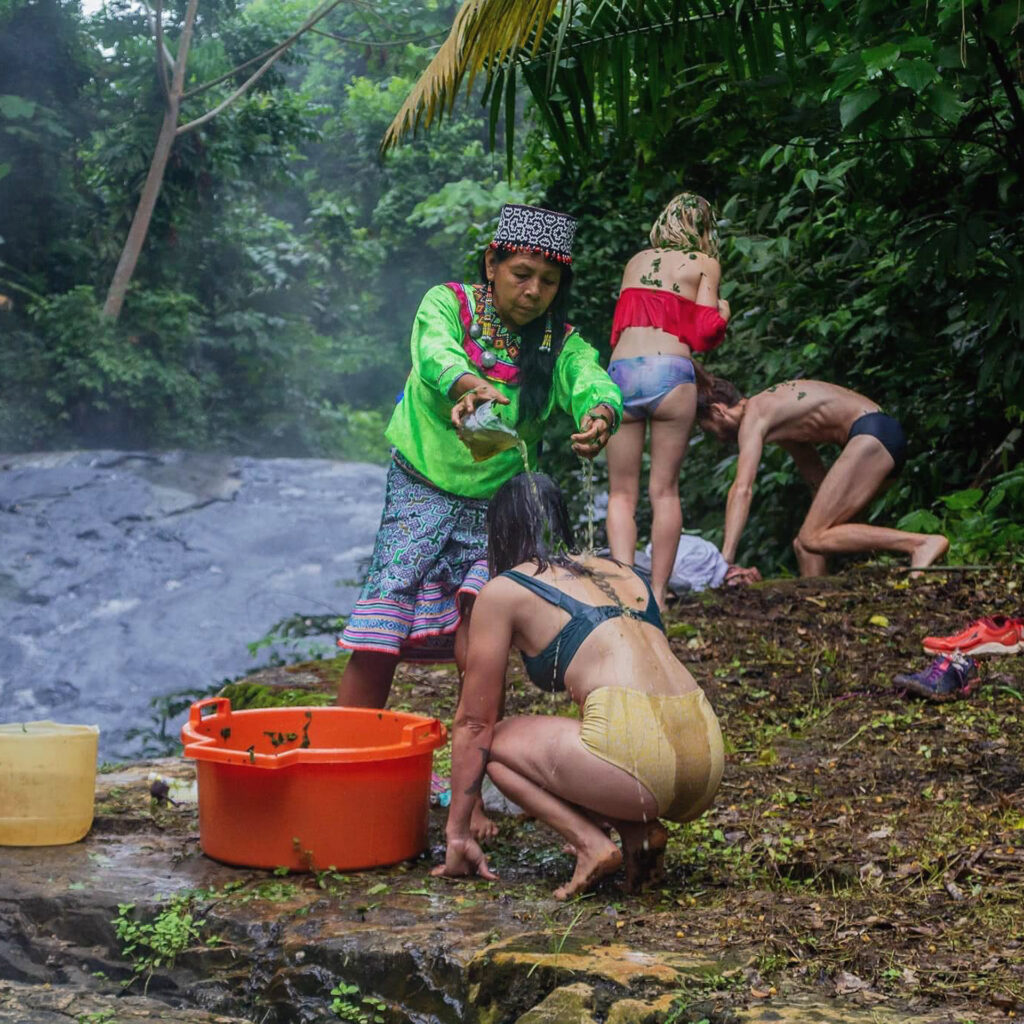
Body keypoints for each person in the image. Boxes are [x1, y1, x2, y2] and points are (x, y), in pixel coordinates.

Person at [336, 204, 623, 716]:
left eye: (549, 281)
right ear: (492, 263)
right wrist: (472, 385)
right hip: (419, 487)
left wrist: (600, 412)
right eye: (522, 274)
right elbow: (434, 353)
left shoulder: (560, 342)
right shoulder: (448, 304)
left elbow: (589, 377)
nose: (534, 291)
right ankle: (347, 753)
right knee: (382, 623)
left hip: (496, 504)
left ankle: (476, 761)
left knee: (484, 626)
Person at [432, 473, 724, 900]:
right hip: (706, 753)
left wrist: (457, 833)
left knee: (496, 741)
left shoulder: (505, 589)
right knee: (592, 731)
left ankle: (591, 845)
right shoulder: (624, 571)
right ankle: (637, 830)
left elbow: (475, 721)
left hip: (639, 760)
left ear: (500, 533)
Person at [694, 370, 949, 577]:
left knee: (811, 537)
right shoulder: (779, 419)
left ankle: (921, 543)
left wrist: (724, 560)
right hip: (882, 436)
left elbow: (742, 489)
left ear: (719, 410)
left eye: (710, 430)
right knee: (805, 545)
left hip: (872, 434)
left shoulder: (755, 413)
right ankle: (817, 605)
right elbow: (816, 476)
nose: (717, 439)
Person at [604, 192, 730, 608]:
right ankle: (657, 595)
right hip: (670, 374)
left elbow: (622, 326)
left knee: (621, 493)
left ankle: (625, 592)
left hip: (622, 373)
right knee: (664, 491)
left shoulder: (636, 261)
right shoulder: (704, 262)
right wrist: (724, 311)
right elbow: (707, 333)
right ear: (704, 228)